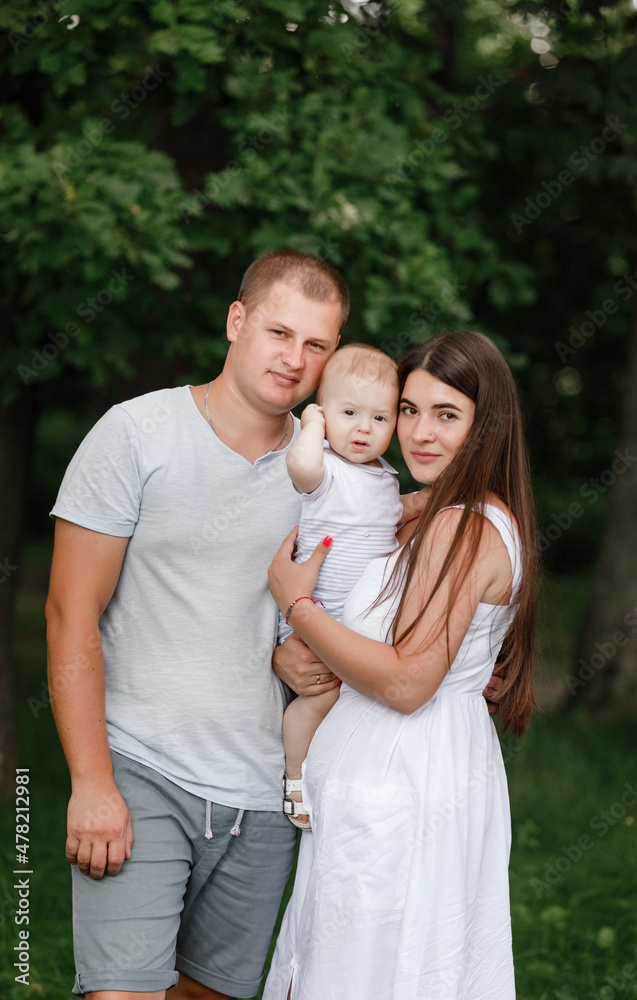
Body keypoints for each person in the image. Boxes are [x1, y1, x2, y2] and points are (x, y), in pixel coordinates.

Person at [45, 249, 346, 1000]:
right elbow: (67, 612)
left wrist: (297, 651)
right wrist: (91, 782)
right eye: (280, 333)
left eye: (316, 345)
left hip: (262, 793)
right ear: (235, 321)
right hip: (141, 767)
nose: (294, 359)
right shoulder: (135, 433)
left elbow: (360, 605)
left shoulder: (332, 474)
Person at [265, 330, 538, 1000]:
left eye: (446, 415)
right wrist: (291, 649)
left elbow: (408, 681)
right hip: (402, 774)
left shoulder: (460, 528)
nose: (417, 433)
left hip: (401, 778)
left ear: (486, 427)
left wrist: (295, 604)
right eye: (408, 410)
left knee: (368, 973)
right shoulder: (429, 514)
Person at [277, 344, 428, 829]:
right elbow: (298, 468)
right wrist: (313, 428)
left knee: (354, 708)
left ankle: (337, 782)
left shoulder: (384, 478)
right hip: (315, 618)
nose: (364, 428)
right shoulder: (323, 469)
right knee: (317, 700)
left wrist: (426, 501)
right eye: (348, 413)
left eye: (380, 418)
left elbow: (395, 511)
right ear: (323, 413)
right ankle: (295, 777)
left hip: (361, 628)